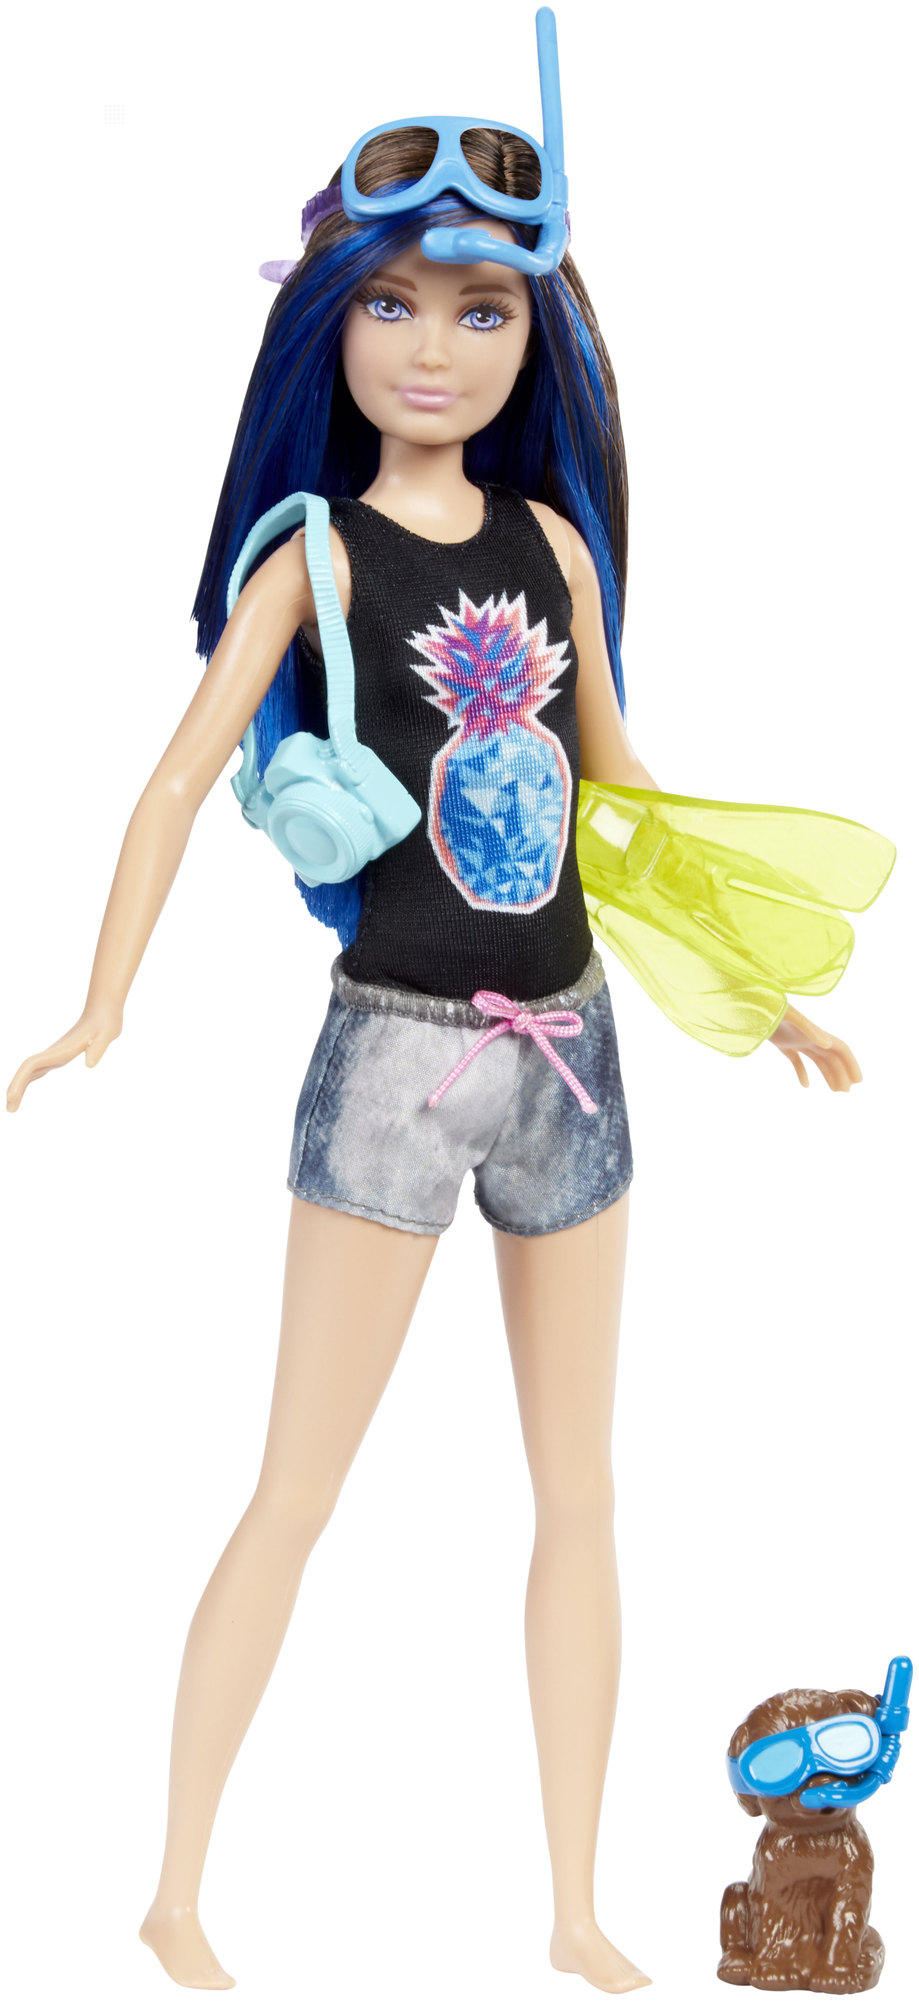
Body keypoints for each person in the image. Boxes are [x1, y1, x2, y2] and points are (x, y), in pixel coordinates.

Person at [5, 16, 870, 1994]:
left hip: (575, 1059)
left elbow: (620, 793)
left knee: (582, 1490)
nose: (434, 347)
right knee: (296, 1484)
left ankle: (573, 1904)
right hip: (393, 1054)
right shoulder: (312, 555)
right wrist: (97, 1000)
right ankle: (174, 1884)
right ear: (329, 321)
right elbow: (173, 776)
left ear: (535, 337)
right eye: (392, 303)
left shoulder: (552, 543)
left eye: (483, 311)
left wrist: (756, 992)